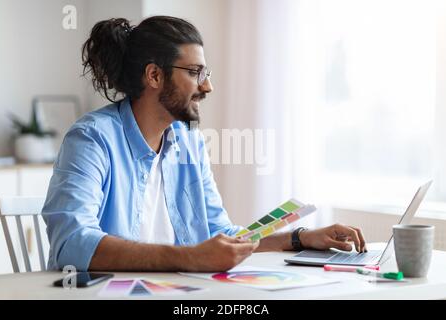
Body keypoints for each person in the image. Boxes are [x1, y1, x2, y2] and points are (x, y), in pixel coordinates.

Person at [42, 16, 367, 272]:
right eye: (195, 72)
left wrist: (299, 239)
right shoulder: (92, 138)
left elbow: (219, 234)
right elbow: (72, 244)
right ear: (154, 76)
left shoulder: (189, 142)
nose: (207, 86)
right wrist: (189, 258)